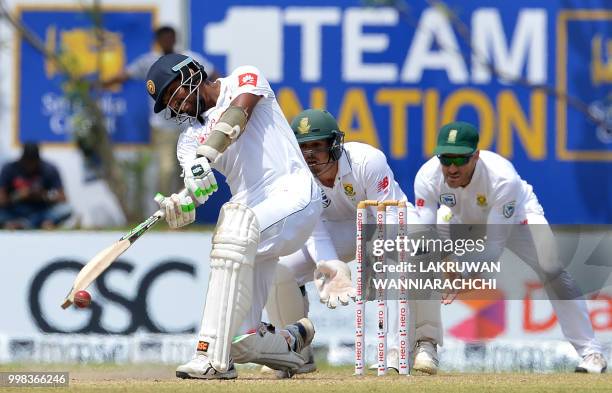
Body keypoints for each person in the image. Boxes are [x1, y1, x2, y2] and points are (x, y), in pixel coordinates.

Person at [144, 53, 323, 379]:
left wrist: (206, 155)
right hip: (254, 219)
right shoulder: (187, 142)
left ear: (191, 73)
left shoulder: (243, 77)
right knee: (242, 340)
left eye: (174, 92)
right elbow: (198, 190)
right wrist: (181, 204)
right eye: (168, 101)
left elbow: (238, 114)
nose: (177, 105)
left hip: (293, 195)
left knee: (234, 225)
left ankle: (210, 357)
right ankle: (296, 343)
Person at [414, 121, 608, 374]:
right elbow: (423, 234)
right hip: (459, 219)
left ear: (475, 156)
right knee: (420, 263)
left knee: (551, 269)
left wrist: (460, 272)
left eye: (460, 160)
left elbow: (495, 247)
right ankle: (420, 349)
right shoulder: (427, 176)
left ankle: (591, 354)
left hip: (516, 217)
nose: (451, 168)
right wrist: (439, 262)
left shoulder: (502, 177)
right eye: (445, 158)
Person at [263, 109, 442, 376]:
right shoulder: (295, 176)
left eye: (316, 145)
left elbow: (389, 217)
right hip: (336, 230)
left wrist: (376, 255)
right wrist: (331, 265)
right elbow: (314, 228)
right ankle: (294, 353)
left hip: (386, 220)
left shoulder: (367, 161)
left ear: (334, 145)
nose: (309, 154)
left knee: (415, 250)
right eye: (303, 147)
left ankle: (406, 348)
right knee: (280, 269)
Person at [102, 26, 219, 197]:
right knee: (166, 169)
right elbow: (125, 74)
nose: (167, 42)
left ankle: (184, 214)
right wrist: (100, 83)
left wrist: (216, 98)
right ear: (157, 41)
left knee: (188, 171)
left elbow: (213, 74)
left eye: (169, 38)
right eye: (163, 39)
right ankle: (167, 208)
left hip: (189, 125)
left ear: (175, 39)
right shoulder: (150, 61)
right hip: (163, 127)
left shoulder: (187, 58)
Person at [0, 143, 72, 229]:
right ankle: (36, 223)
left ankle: (23, 224)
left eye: (33, 162)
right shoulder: (9, 168)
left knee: (67, 209)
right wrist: (18, 195)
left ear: (38, 160)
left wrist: (43, 195)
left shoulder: (49, 169)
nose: (30, 166)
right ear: (22, 159)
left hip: (42, 210)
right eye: (27, 162)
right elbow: (2, 200)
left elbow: (63, 198)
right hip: (16, 210)